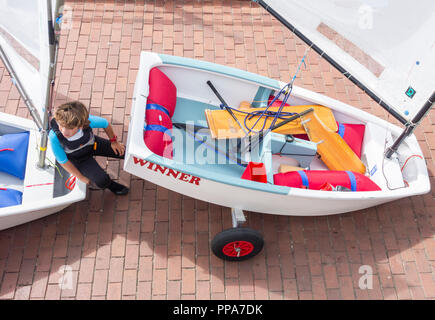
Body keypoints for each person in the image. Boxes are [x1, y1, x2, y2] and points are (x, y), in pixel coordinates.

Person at [48, 101, 129, 195]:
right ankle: (111, 185)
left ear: (81, 125)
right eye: (61, 126)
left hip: (93, 145)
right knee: (102, 181)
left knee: (125, 152)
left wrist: (114, 142)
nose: (64, 132)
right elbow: (63, 161)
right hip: (79, 159)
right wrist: (81, 177)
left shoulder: (87, 121)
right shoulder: (54, 136)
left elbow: (105, 124)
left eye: (69, 128)